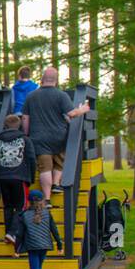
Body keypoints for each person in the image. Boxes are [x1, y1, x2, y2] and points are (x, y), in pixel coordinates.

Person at [20, 66, 90, 198]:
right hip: (58, 136)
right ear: (56, 81)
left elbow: (25, 118)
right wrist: (83, 109)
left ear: (42, 79)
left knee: (44, 168)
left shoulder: (31, 96)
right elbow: (71, 113)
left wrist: (26, 133)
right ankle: (56, 184)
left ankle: (46, 198)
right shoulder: (61, 95)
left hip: (39, 138)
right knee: (59, 161)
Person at [0, 113, 37, 234]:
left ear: (5, 126)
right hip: (20, 177)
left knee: (8, 206)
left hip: (2, 177)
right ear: (19, 126)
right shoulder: (25, 139)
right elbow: (32, 159)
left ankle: (8, 232)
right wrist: (31, 178)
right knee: (21, 206)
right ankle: (13, 233)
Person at [9, 188, 64, 269]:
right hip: (45, 245)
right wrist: (59, 245)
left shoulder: (24, 215)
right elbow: (54, 230)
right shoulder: (47, 214)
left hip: (32, 246)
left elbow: (19, 234)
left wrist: (16, 250)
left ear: (28, 202)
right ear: (42, 201)